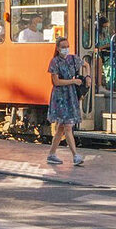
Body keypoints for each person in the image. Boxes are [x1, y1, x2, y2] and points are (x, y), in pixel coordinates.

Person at [47, 36, 85, 166]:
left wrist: (89, 77)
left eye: (67, 46)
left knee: (61, 128)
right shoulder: (54, 62)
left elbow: (86, 64)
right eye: (63, 47)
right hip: (60, 97)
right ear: (57, 49)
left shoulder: (73, 59)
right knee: (67, 126)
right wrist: (73, 81)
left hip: (70, 95)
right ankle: (75, 156)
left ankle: (51, 154)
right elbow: (56, 82)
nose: (66, 49)